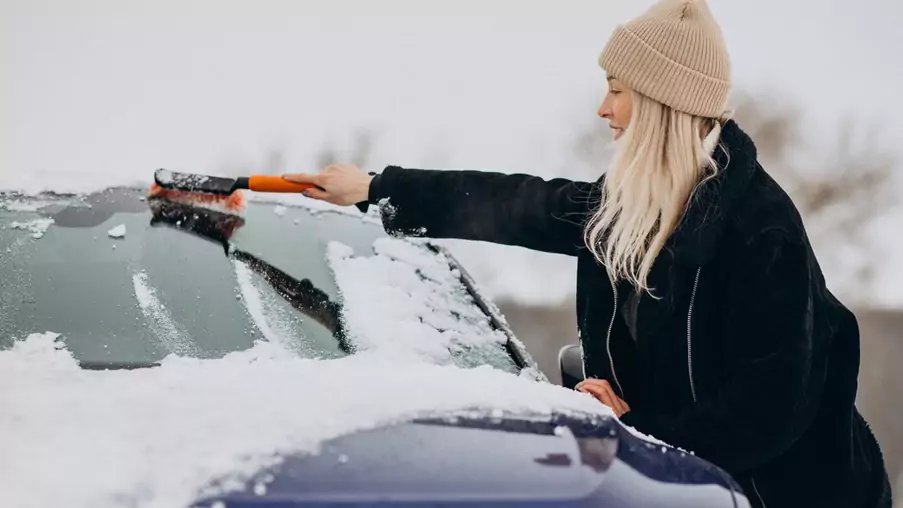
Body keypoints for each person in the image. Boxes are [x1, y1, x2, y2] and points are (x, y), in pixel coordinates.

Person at [282, 0, 891, 506]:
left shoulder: (762, 231)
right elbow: (517, 204)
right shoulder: (635, 207)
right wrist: (377, 189)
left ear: (660, 103)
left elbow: (767, 411)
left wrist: (632, 430)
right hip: (691, 483)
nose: (604, 109)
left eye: (617, 91)